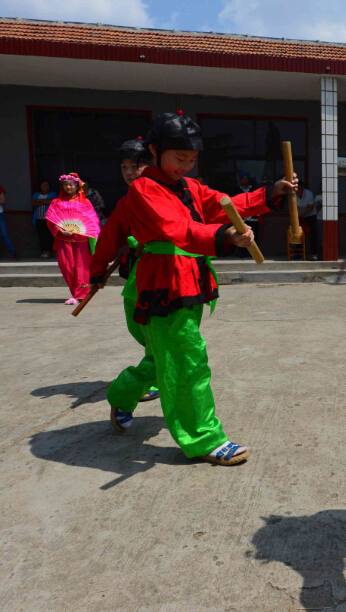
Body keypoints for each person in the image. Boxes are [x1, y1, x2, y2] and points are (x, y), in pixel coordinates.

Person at [89, 111, 298, 465]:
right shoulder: (143, 190)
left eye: (191, 160)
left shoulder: (189, 187)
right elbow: (179, 230)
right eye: (179, 159)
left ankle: (121, 395)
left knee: (162, 359)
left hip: (189, 277)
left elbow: (226, 203)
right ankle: (204, 438)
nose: (185, 166)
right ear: (154, 152)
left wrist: (272, 191)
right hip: (162, 281)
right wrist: (227, 235)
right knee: (187, 358)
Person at [92, 137, 161, 410]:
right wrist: (97, 272)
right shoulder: (125, 203)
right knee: (140, 328)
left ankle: (149, 378)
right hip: (136, 275)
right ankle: (152, 372)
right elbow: (108, 239)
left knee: (160, 333)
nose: (130, 173)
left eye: (136, 166)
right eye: (124, 167)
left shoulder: (168, 194)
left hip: (166, 277)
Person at [48, 173, 95, 305]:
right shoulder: (56, 202)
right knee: (66, 267)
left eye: (71, 185)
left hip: (82, 241)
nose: (68, 187)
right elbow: (51, 221)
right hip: (64, 239)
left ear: (77, 186)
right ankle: (75, 293)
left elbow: (92, 222)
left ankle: (81, 295)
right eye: (65, 185)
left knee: (81, 268)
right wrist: (61, 230)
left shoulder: (86, 202)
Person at [32, 180, 57, 258]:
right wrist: (46, 201)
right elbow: (33, 203)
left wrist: (39, 201)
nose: (44, 186)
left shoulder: (53, 194)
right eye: (43, 184)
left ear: (49, 186)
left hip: (49, 219)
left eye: (46, 184)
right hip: (39, 218)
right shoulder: (36, 194)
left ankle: (48, 252)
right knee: (41, 236)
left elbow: (53, 202)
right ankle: (43, 251)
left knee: (49, 235)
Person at [297, 180, 318, 260]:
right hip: (299, 215)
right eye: (295, 188)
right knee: (298, 234)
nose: (297, 191)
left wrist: (303, 214)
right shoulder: (293, 195)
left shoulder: (309, 194)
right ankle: (298, 254)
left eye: (298, 188)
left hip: (310, 215)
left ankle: (313, 254)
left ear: (302, 188)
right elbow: (293, 207)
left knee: (312, 234)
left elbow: (311, 208)